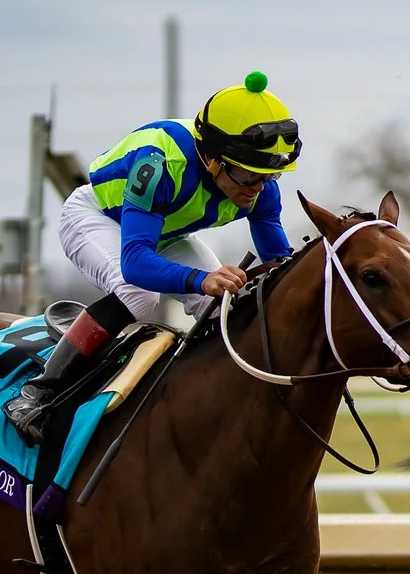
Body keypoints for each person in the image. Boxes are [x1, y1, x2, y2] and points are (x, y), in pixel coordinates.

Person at [10, 71, 299, 441]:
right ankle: (37, 392)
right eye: (248, 176)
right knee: (139, 294)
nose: (258, 188)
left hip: (166, 231)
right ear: (212, 159)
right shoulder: (159, 164)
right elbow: (134, 262)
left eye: (269, 176)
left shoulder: (260, 188)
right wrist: (200, 279)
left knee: (228, 305)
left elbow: (279, 266)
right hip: (97, 217)